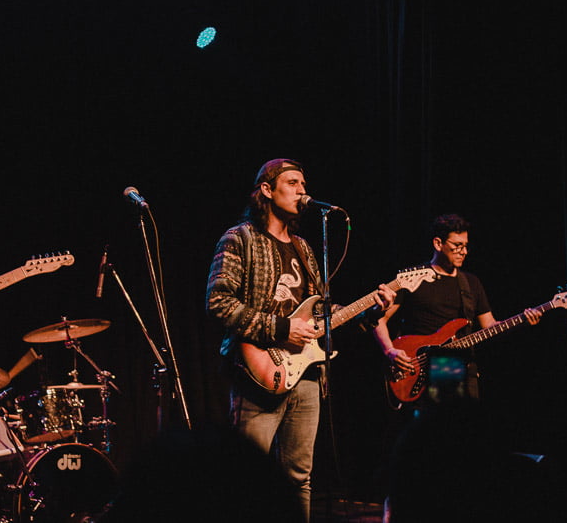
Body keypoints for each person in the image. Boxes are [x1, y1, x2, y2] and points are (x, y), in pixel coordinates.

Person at [205, 158, 395, 521]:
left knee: (299, 477)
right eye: (292, 183)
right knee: (247, 479)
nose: (302, 190)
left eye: (304, 184)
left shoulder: (305, 248)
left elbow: (323, 314)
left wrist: (370, 310)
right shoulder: (240, 238)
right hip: (257, 372)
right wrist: (281, 329)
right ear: (267, 189)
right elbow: (218, 302)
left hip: (305, 376)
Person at [371, 213, 542, 403]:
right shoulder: (413, 279)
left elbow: (489, 325)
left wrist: (521, 322)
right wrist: (390, 350)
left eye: (466, 246)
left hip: (457, 369)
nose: (464, 251)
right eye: (457, 245)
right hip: (416, 369)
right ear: (438, 244)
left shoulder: (471, 283)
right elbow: (379, 319)